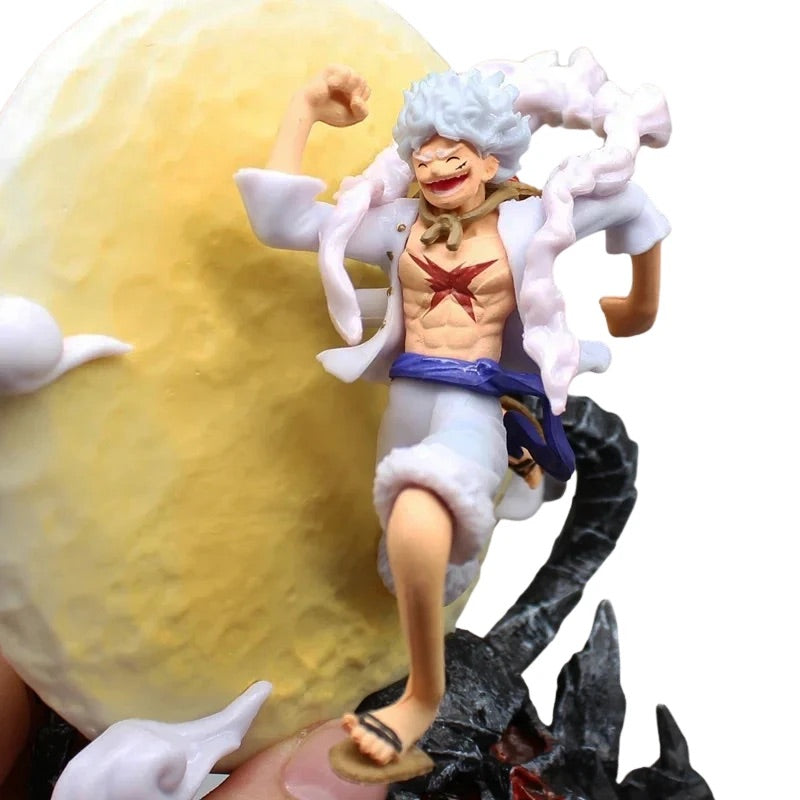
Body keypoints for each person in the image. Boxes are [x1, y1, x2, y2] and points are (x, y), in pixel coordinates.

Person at [236, 61, 669, 781]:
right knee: (405, 547)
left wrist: (641, 305)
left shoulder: (531, 220)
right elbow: (283, 223)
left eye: (454, 152)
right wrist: (303, 109)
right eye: (424, 154)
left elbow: (632, 203)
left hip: (472, 401)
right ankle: (429, 589)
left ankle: (421, 697)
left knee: (420, 509)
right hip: (405, 401)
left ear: (490, 158)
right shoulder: (398, 224)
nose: (436, 166)